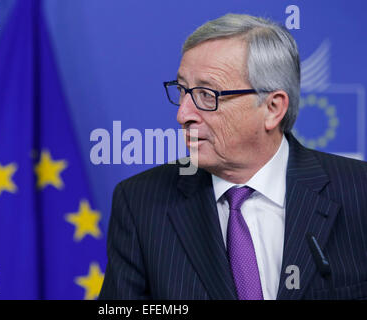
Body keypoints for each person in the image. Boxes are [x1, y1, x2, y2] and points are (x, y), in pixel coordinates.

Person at [99, 14, 367, 300]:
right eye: (182, 91)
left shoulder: (358, 191)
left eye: (206, 94)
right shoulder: (141, 203)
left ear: (273, 108)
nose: (183, 115)